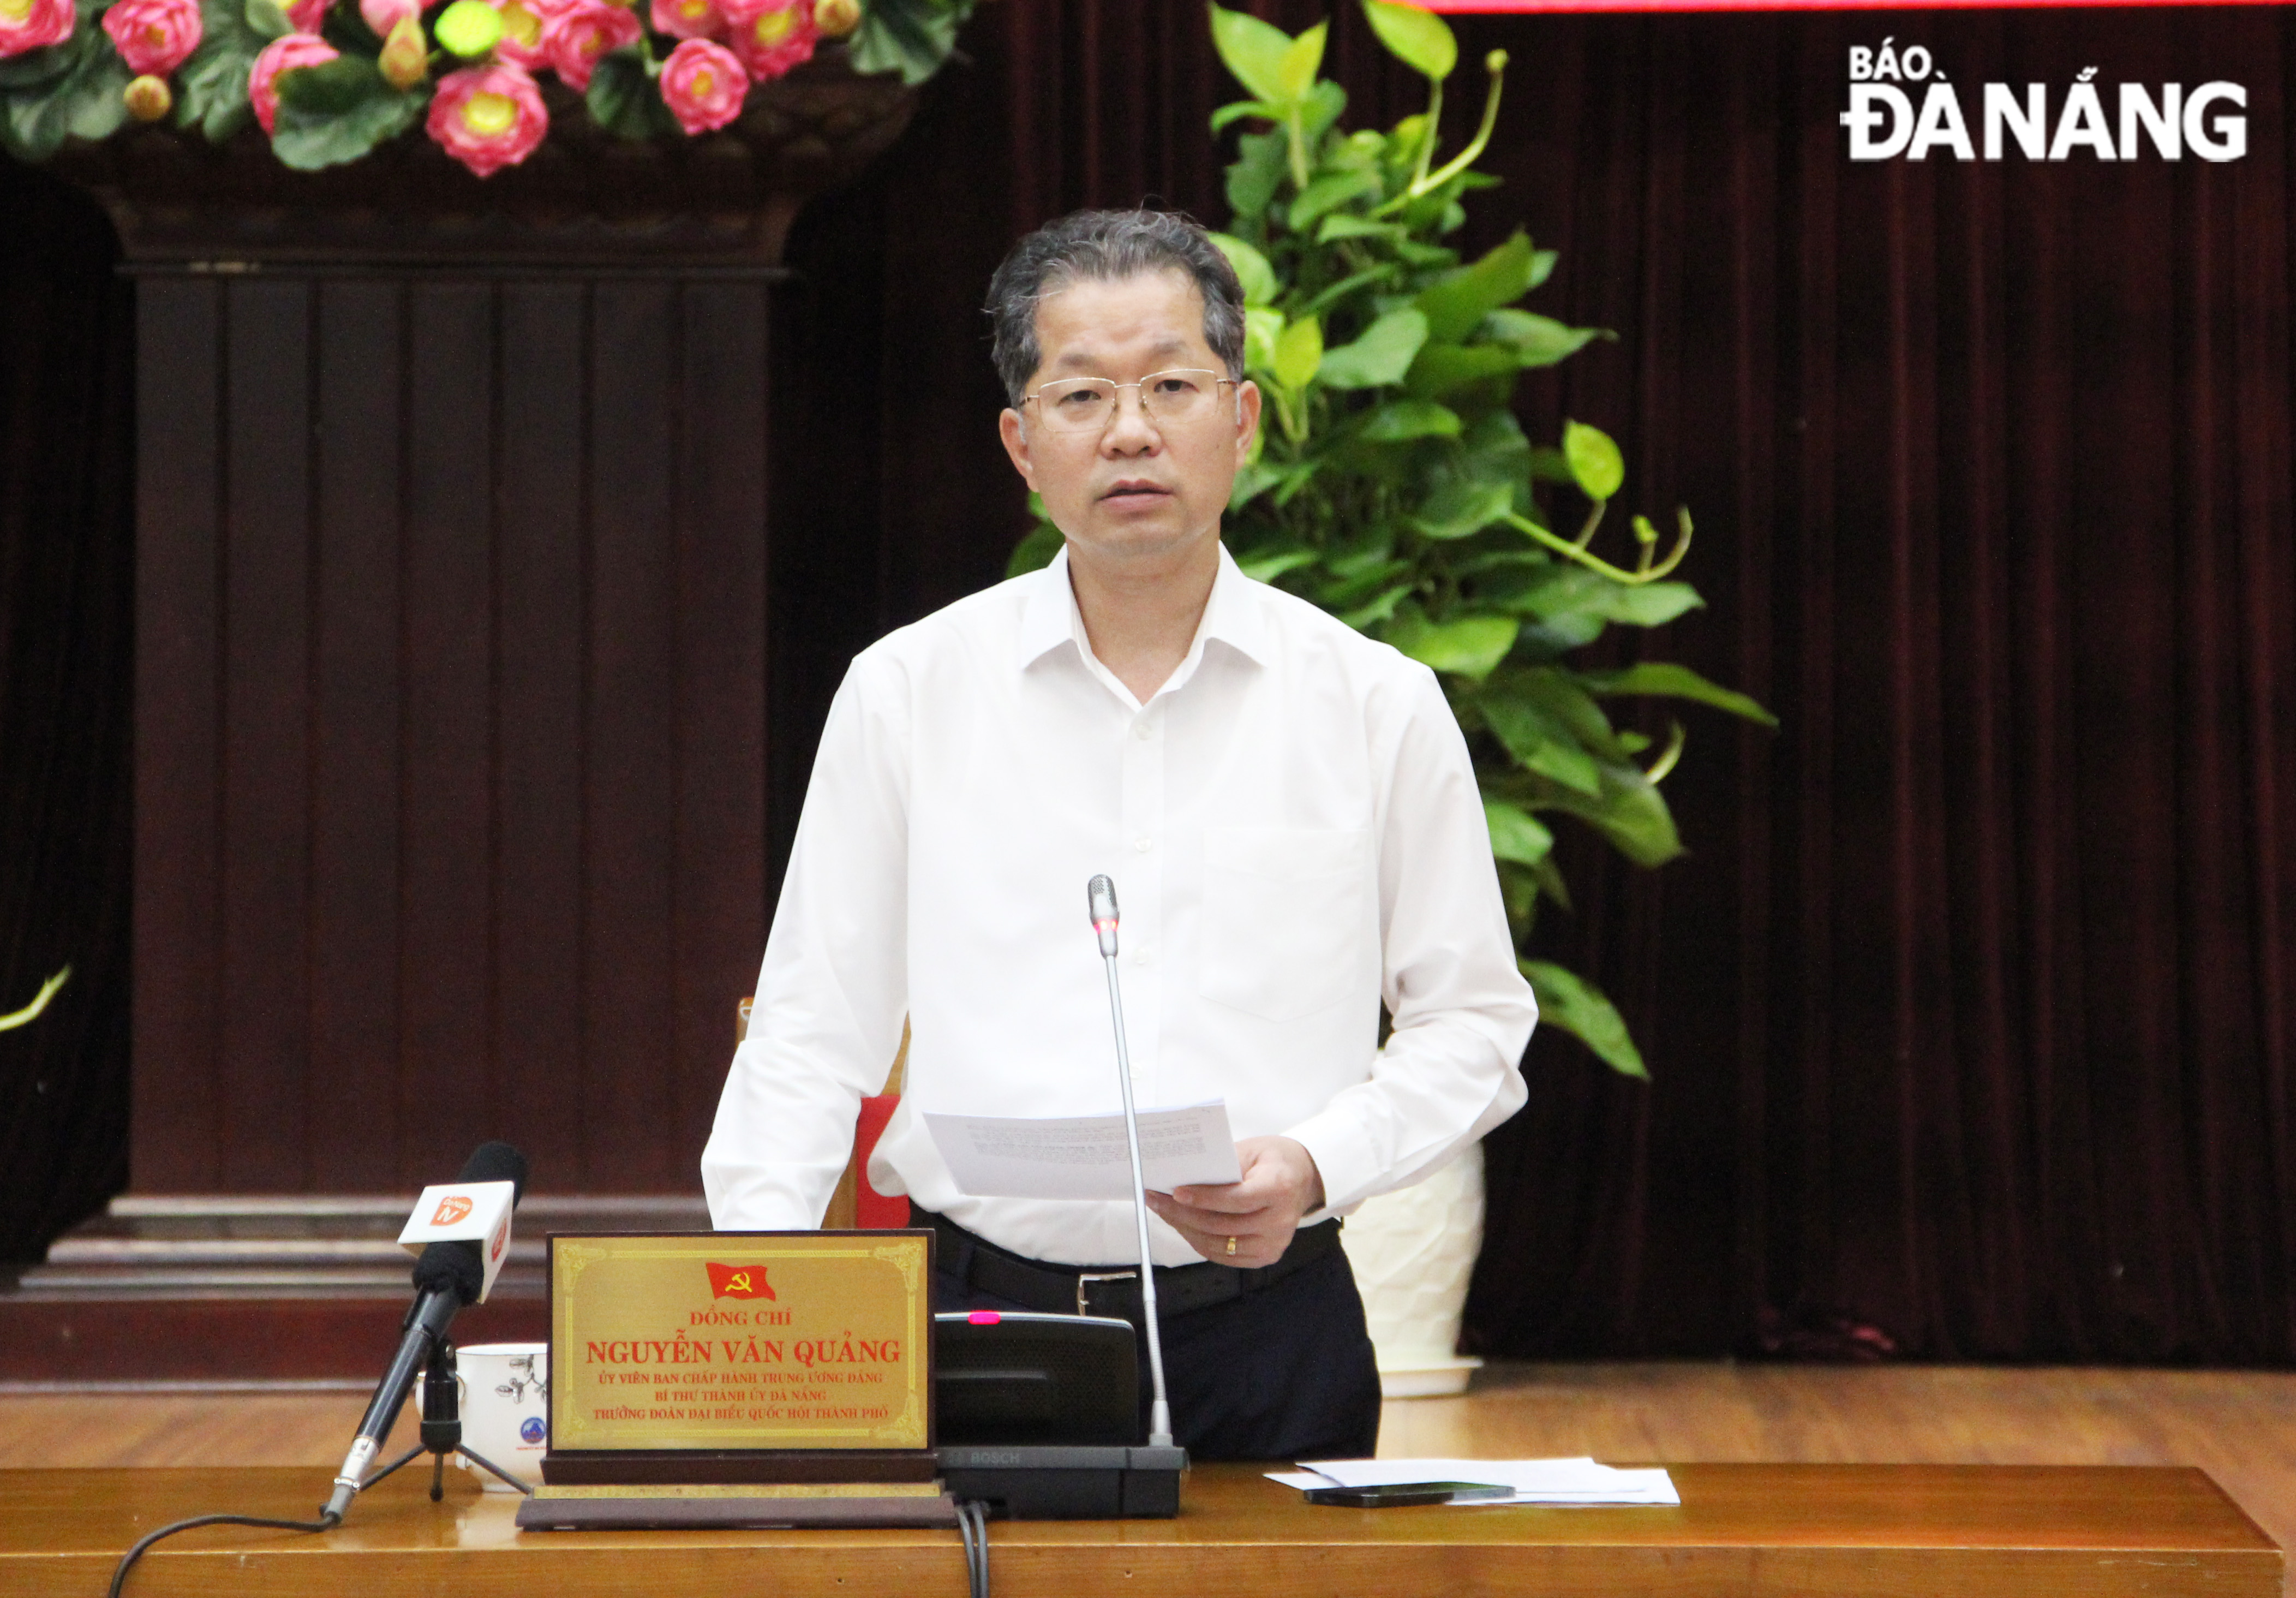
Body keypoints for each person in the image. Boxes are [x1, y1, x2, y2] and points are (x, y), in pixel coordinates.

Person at [702, 208, 1536, 1461]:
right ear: (1021, 444)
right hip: (978, 1323)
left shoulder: (1371, 701)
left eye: (1170, 385)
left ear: (1242, 421)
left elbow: (1474, 1020)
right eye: (1082, 393)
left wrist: (1314, 1162)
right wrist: (754, 1304)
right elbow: (816, 1026)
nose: (1131, 429)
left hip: (1269, 1329)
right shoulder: (909, 691)